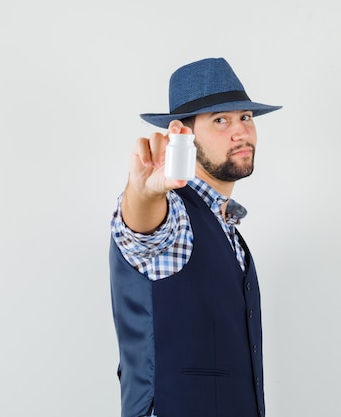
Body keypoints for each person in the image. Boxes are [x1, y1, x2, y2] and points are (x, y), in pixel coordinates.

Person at [109, 57, 281, 417]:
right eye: (220, 120)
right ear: (180, 134)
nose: (241, 132)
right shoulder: (173, 214)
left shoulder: (225, 226)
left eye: (245, 118)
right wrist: (143, 193)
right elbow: (144, 234)